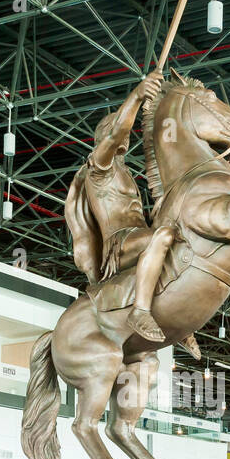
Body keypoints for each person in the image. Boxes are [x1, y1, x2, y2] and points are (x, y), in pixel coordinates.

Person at [65, 71, 175, 343]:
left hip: (137, 236)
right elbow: (116, 134)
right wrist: (137, 95)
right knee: (164, 236)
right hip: (120, 243)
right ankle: (140, 311)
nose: (125, 133)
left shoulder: (125, 173)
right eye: (117, 128)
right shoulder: (98, 170)